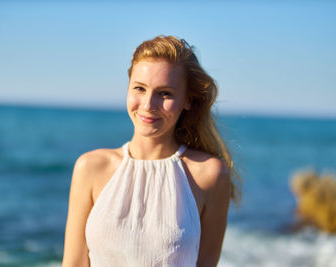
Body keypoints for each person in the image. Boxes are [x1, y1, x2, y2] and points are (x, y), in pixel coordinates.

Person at [62, 35, 240, 267]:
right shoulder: (91, 167)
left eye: (164, 93)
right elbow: (74, 263)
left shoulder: (209, 174)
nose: (148, 105)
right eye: (140, 88)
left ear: (188, 100)